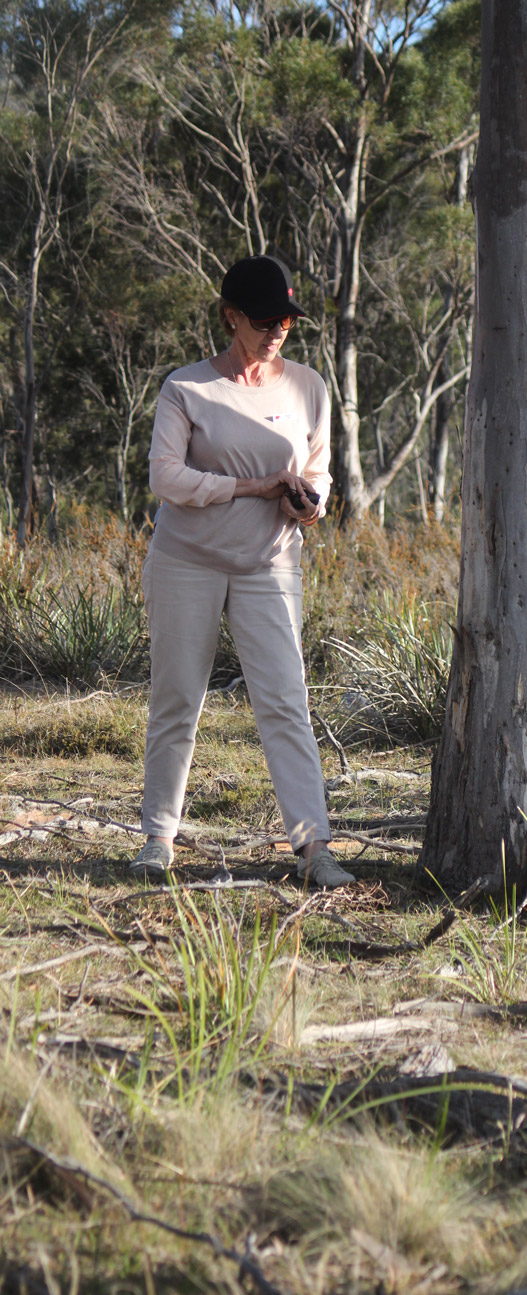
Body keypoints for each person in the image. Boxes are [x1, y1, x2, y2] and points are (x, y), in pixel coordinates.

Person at [129, 254, 354, 889]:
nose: (276, 329)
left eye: (285, 318)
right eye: (262, 319)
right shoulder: (187, 388)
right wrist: (252, 487)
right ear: (231, 318)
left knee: (286, 702)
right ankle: (157, 840)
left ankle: (315, 849)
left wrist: (307, 503)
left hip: (271, 565)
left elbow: (319, 472)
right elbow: (165, 476)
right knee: (177, 699)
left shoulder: (308, 387)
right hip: (187, 564)